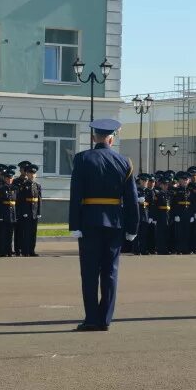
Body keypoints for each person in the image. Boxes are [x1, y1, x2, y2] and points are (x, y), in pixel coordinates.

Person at [67, 119, 139, 331]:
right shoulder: (125, 162)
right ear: (111, 138)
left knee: (89, 272)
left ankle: (91, 318)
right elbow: (132, 199)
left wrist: (74, 224)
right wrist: (132, 228)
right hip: (115, 222)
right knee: (110, 272)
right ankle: (105, 318)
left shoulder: (82, 159)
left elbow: (75, 195)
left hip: (89, 221)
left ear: (93, 137)